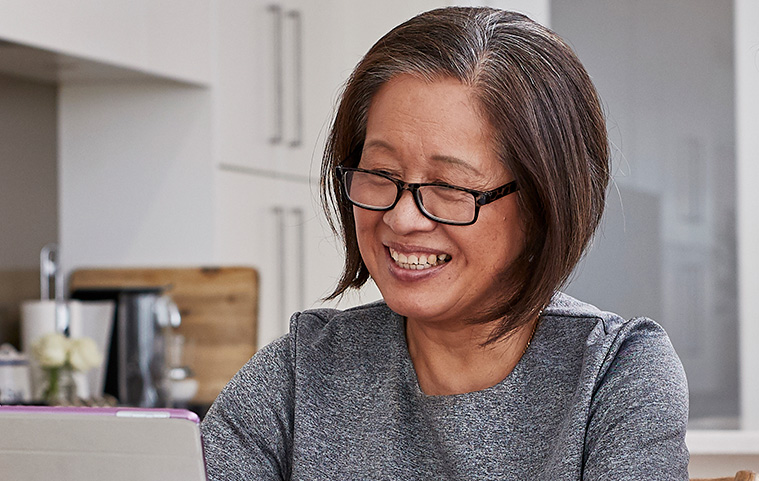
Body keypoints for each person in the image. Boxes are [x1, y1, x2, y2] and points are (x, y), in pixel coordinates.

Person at [201, 7, 689, 480]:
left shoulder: (617, 375)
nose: (402, 217)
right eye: (380, 174)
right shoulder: (299, 372)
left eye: (451, 187)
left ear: (544, 203)